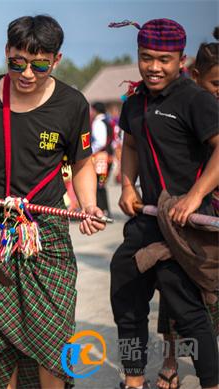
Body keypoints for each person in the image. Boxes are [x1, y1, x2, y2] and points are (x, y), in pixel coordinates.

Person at [0, 15, 105, 388]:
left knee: (54, 335)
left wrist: (88, 204)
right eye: (18, 62)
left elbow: (81, 162)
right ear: (7, 54)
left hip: (46, 234)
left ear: (56, 60)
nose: (27, 73)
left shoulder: (72, 104)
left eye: (40, 64)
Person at [109, 18, 219, 389]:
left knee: (188, 312)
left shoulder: (196, 99)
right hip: (147, 217)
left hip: (185, 223)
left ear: (181, 60)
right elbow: (132, 145)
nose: (154, 67)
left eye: (164, 59)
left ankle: (211, 383)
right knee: (125, 294)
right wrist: (126, 186)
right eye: (146, 57)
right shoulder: (135, 102)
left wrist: (196, 195)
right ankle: (134, 380)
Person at [155, 28, 219, 389]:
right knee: (177, 293)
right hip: (191, 214)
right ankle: (169, 360)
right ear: (194, 77)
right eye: (215, 82)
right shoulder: (187, 107)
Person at [91, 101, 115, 216]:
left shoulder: (98, 122)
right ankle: (105, 210)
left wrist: (89, 151)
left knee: (99, 184)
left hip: (101, 159)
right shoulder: (108, 121)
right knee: (101, 184)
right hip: (108, 157)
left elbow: (100, 142)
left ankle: (103, 210)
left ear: (95, 110)